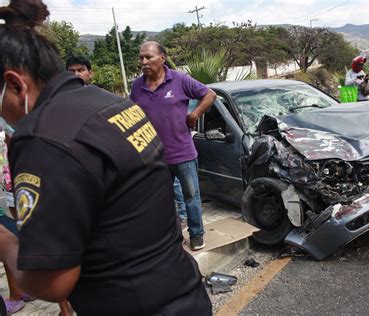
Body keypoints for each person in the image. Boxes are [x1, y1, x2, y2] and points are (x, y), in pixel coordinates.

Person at [0, 1, 211, 315]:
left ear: (15, 84)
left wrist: (5, 240)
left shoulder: (42, 136)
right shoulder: (113, 104)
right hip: (184, 291)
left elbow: (53, 282)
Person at [130, 41, 216, 251]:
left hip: (183, 153)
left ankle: (196, 235)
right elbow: (132, 113)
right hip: (154, 156)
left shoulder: (179, 80)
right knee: (163, 201)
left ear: (162, 58)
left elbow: (209, 94)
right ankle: (173, 236)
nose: (144, 62)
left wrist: (194, 114)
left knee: (191, 197)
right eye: (141, 57)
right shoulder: (137, 86)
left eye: (148, 57)